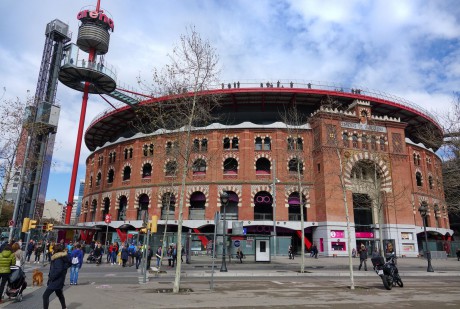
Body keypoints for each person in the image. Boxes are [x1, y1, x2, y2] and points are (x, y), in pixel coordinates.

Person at [43, 244, 70, 309]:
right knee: (59, 294)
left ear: (55, 251)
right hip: (59, 279)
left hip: (55, 280)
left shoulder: (58, 259)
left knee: (45, 296)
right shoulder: (61, 257)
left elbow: (58, 269)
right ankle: (64, 307)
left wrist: (51, 277)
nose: (52, 251)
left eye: (53, 249)